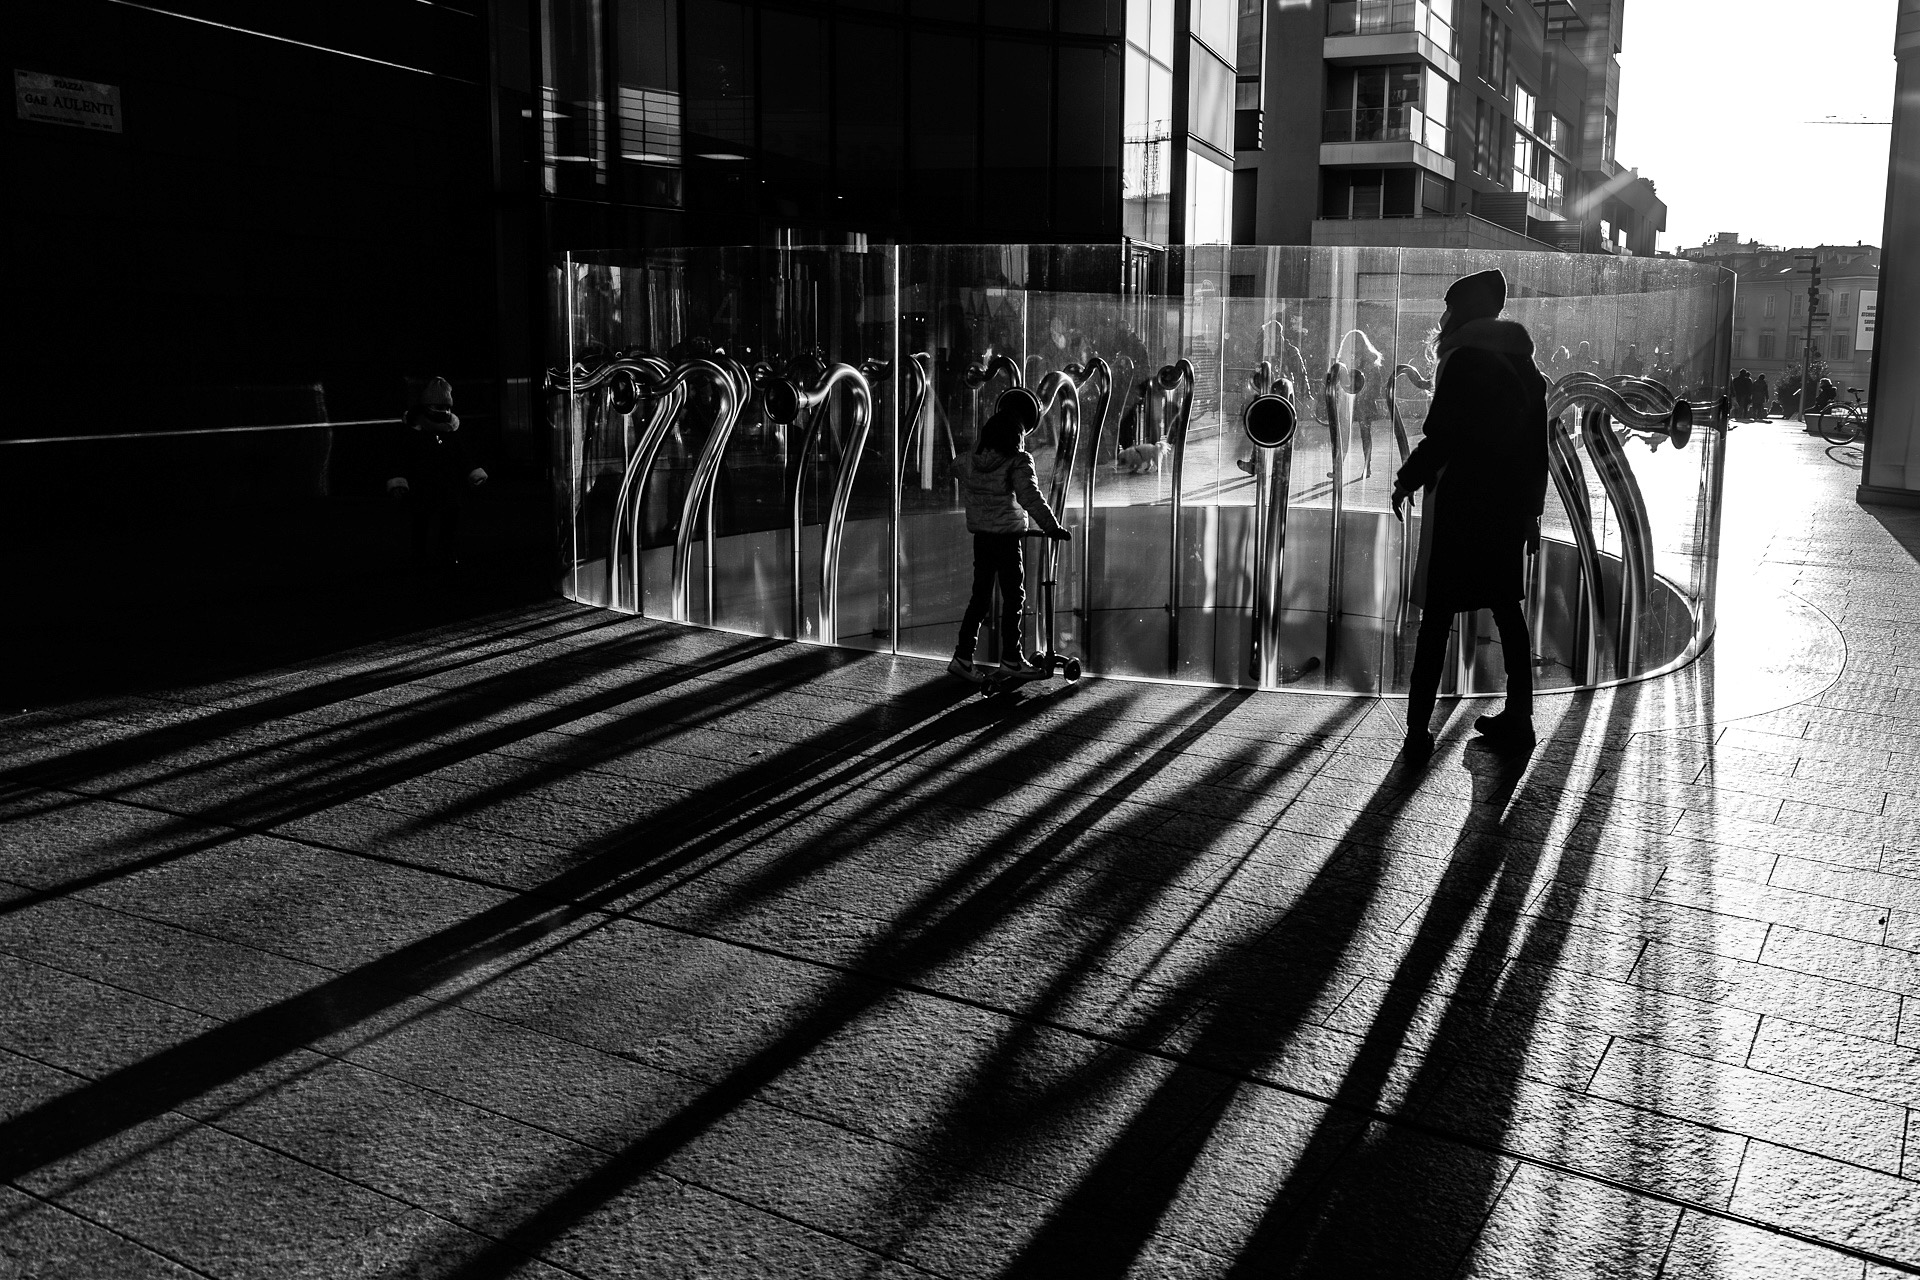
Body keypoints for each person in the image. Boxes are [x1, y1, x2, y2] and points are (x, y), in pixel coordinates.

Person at [1390, 268, 1548, 755]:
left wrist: (1405, 480)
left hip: (1461, 506)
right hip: (1503, 510)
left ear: (1462, 312)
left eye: (1449, 307)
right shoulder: (1525, 368)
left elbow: (1443, 436)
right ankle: (1519, 718)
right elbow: (1535, 449)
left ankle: (1418, 731)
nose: (1443, 316)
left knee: (1436, 618)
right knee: (1507, 612)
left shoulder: (1462, 361)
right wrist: (1530, 512)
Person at [949, 393, 1071, 683]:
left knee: (979, 598)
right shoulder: (1018, 461)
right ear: (1018, 435)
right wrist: (1052, 527)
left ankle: (963, 657)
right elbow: (1031, 497)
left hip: (982, 537)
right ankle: (1011, 659)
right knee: (1014, 597)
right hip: (1006, 539)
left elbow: (955, 467)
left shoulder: (973, 460)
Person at [388, 377, 487, 570]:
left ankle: (445, 554)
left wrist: (472, 472)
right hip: (422, 485)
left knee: (448, 521)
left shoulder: (448, 430)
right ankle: (421, 557)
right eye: (438, 407)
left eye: (446, 407)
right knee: (421, 522)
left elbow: (462, 456)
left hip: (447, 485)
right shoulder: (415, 432)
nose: (443, 412)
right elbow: (402, 458)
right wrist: (400, 481)